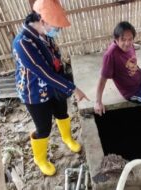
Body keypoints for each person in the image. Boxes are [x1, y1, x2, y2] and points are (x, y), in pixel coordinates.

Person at [12, 0, 88, 176]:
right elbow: (44, 73)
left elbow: (55, 63)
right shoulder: (22, 43)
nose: (58, 30)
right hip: (34, 93)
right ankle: (40, 160)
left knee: (62, 112)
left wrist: (64, 81)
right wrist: (73, 89)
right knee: (43, 127)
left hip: (55, 86)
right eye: (56, 26)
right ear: (42, 20)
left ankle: (67, 138)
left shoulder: (45, 34)